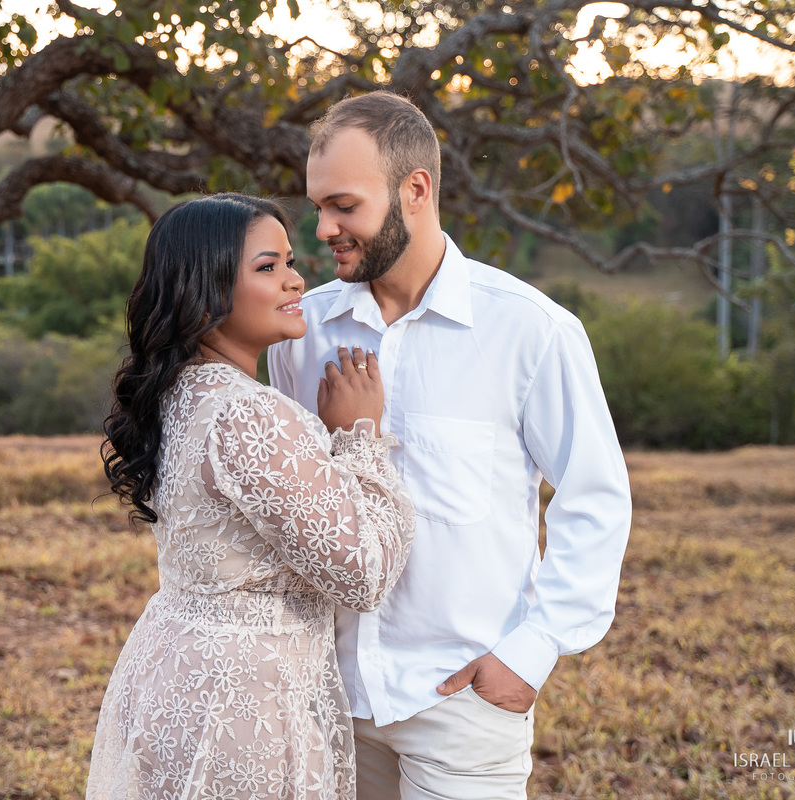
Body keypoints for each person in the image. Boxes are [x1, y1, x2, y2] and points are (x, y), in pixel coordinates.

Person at [268, 92, 632, 800]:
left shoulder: (530, 331)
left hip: (463, 698)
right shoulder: (303, 332)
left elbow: (595, 496)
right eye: (317, 208)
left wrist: (532, 651)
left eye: (342, 205)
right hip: (331, 694)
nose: (323, 228)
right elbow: (296, 505)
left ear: (416, 189)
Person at [87, 193, 416, 800]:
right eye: (268, 267)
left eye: (290, 262)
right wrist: (358, 438)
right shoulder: (250, 414)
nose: (296, 281)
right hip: (239, 703)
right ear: (205, 288)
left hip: (173, 673)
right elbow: (363, 575)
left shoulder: (178, 396)